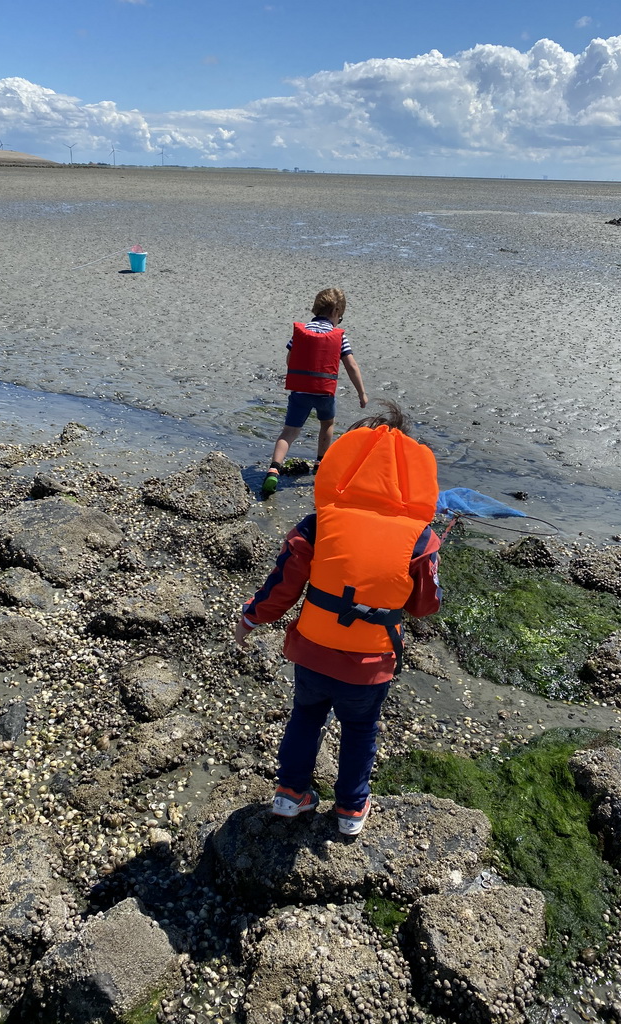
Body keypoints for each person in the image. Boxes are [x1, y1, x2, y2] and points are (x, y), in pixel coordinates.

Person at [236, 402, 442, 836]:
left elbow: (283, 584)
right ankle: (350, 809)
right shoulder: (422, 539)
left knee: (306, 716)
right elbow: (425, 605)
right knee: (360, 729)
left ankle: (290, 793)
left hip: (312, 652)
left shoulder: (317, 523)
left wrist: (251, 619)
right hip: (368, 665)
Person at [261, 287, 368, 496]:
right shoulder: (338, 336)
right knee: (327, 424)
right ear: (336, 312)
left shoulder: (302, 331)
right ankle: (320, 463)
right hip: (324, 393)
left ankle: (274, 468)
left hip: (300, 391)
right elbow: (351, 365)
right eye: (341, 317)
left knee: (289, 432)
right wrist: (361, 393)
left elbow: (290, 359)